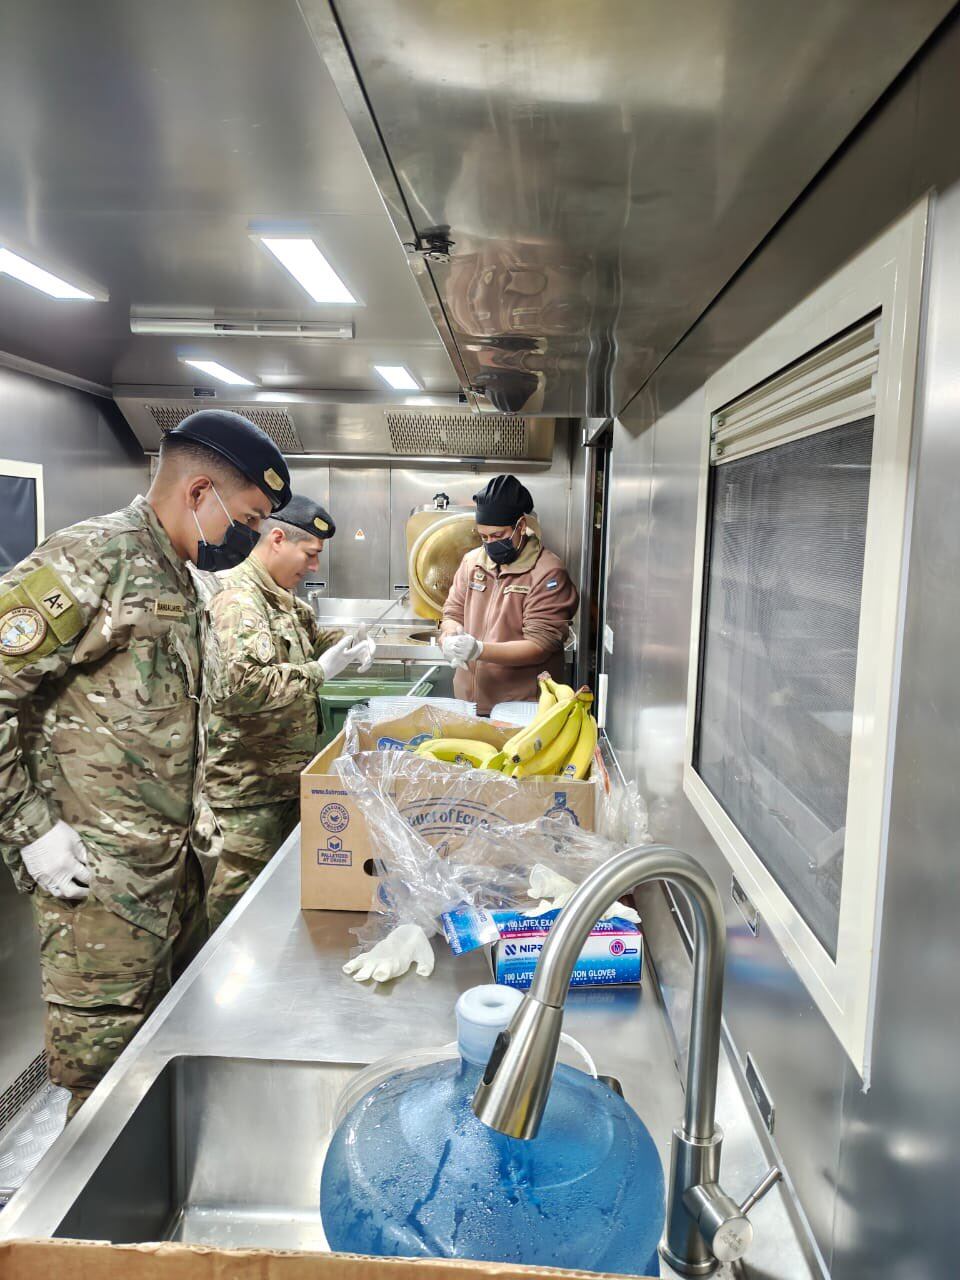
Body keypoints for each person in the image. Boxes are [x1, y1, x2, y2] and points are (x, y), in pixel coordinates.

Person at [0, 409, 290, 1117]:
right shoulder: (93, 558)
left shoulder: (175, 569)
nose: (248, 537)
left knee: (157, 1064)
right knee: (104, 1092)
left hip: (172, 872)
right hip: (100, 885)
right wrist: (30, 829)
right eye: (249, 518)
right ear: (200, 493)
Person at [202, 494, 376, 931]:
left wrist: (351, 643)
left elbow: (311, 636)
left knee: (278, 905)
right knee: (238, 914)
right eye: (310, 554)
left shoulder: (281, 598)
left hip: (283, 784)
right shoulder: (239, 600)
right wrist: (320, 671)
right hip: (247, 794)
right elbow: (239, 689)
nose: (314, 567)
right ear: (277, 538)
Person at [440, 474, 579, 715]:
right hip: (468, 703)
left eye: (498, 536)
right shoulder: (472, 563)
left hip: (521, 707)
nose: (490, 544)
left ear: (521, 526)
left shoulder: (547, 573)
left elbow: (540, 645)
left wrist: (479, 650)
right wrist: (450, 637)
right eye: (483, 537)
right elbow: (452, 613)